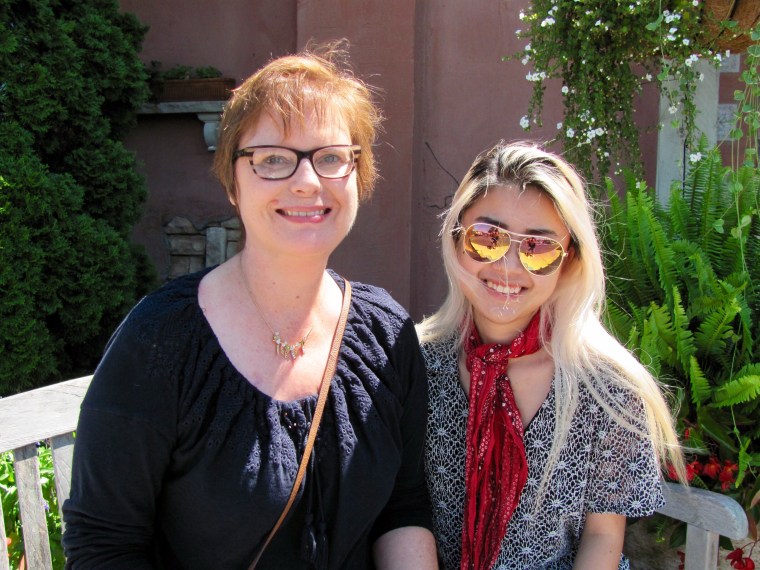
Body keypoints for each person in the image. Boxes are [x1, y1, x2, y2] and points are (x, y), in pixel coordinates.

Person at [63, 42, 437, 569]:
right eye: (273, 159)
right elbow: (104, 545)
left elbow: (403, 506)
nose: (306, 182)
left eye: (331, 157)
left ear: (359, 174)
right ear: (232, 181)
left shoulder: (387, 333)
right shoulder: (160, 340)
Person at [417, 142, 685, 570]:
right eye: (486, 238)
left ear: (570, 259)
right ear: (456, 238)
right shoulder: (416, 365)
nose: (508, 266)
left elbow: (602, 537)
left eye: (538, 248)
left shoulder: (607, 389)